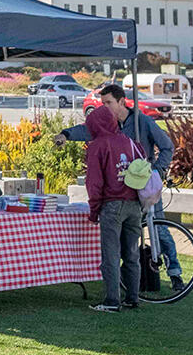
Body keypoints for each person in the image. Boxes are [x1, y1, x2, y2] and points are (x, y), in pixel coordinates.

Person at [53, 83, 182, 290]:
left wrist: (156, 172)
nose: (104, 107)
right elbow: (87, 130)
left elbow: (167, 146)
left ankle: (175, 274)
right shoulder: (108, 124)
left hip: (144, 187)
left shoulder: (143, 122)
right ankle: (130, 285)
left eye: (108, 103)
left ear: (122, 102)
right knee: (128, 239)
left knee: (159, 229)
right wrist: (66, 134)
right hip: (123, 193)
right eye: (102, 103)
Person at [84, 105, 147, 312]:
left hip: (112, 205)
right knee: (131, 253)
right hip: (134, 204)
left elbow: (94, 184)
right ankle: (132, 297)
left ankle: (112, 300)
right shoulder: (130, 142)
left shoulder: (98, 146)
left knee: (110, 254)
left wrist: (94, 211)